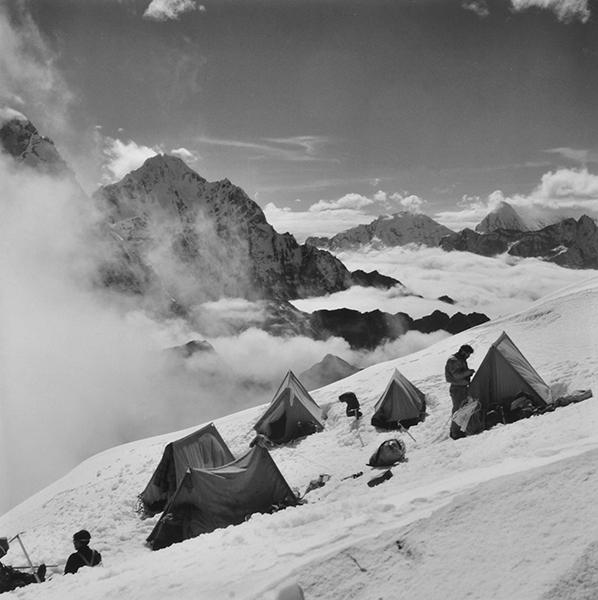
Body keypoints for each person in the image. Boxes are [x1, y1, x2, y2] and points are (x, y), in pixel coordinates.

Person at [445, 344, 475, 439]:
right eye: (468, 354)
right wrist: (468, 372)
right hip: (457, 389)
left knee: (463, 409)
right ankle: (455, 433)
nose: (468, 356)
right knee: (458, 411)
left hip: (462, 387)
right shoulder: (453, 361)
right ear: (463, 352)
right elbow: (456, 375)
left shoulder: (460, 360)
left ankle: (459, 430)